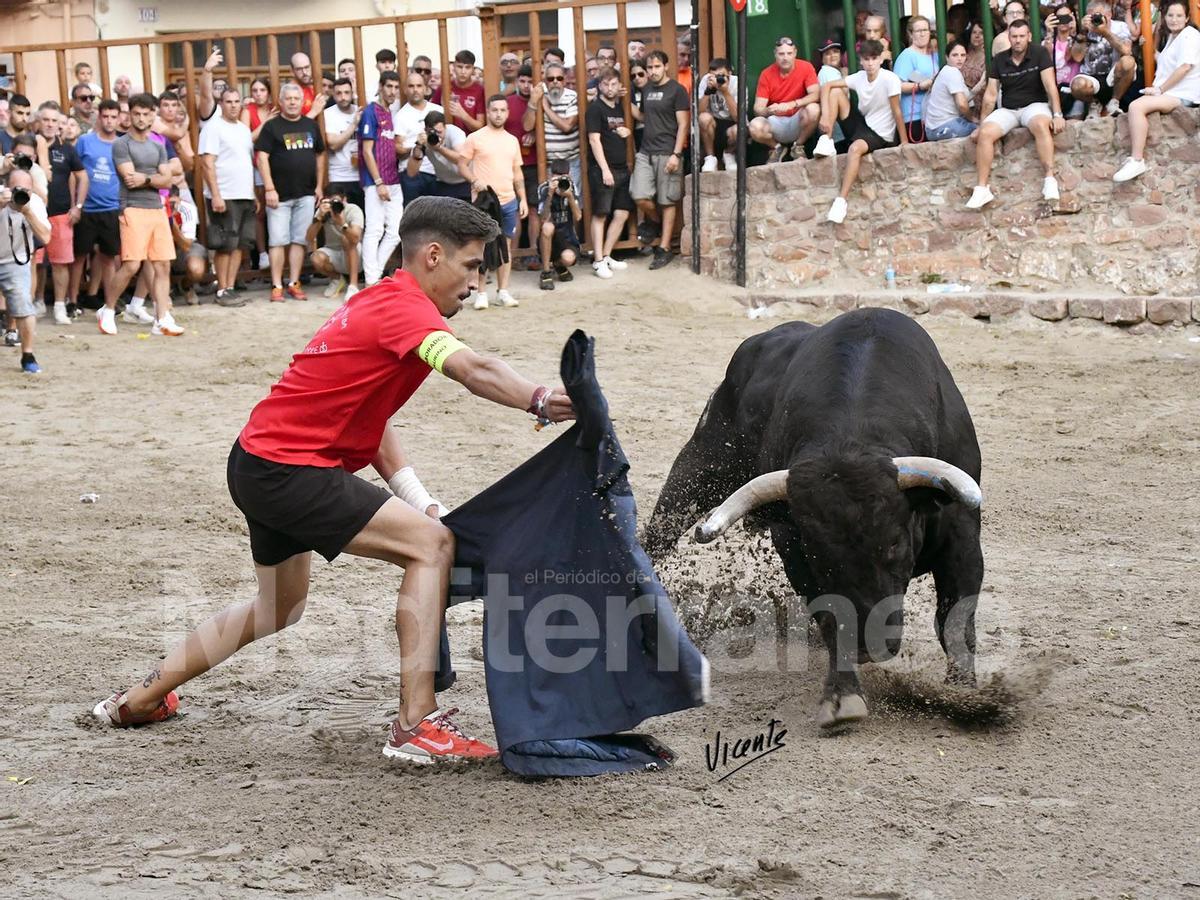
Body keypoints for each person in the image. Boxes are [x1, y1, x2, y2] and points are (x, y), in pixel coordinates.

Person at [91, 196, 576, 766]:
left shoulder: (381, 299)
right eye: (471, 266)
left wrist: (420, 500)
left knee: (279, 605)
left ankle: (137, 701)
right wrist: (540, 398)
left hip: (255, 460)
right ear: (434, 256)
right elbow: (475, 370)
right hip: (289, 470)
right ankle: (416, 725)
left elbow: (370, 419)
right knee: (433, 547)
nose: (476, 282)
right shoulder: (407, 311)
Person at [101, 93, 183, 337]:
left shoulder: (158, 146)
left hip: (156, 208)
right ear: (130, 115)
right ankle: (108, 309)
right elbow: (129, 178)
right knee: (131, 265)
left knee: (162, 265)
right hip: (132, 207)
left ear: (153, 116)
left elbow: (167, 178)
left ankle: (162, 318)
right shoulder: (121, 143)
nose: (141, 118)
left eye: (146, 114)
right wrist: (155, 179)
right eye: (136, 113)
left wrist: (147, 178)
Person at [967, 19, 1064, 210]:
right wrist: (982, 124)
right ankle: (982, 188)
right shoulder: (1000, 59)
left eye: (1021, 36)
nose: (1018, 40)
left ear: (1028, 36)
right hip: (1009, 109)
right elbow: (990, 95)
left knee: (1040, 124)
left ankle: (1050, 179)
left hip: (1034, 105)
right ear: (1009, 38)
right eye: (1014, 36)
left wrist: (1058, 113)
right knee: (985, 134)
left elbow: (1050, 85)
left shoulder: (1039, 53)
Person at [815, 40, 906, 224]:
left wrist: (904, 141)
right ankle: (826, 139)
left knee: (855, 149)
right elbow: (826, 87)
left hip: (881, 134)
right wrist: (825, 116)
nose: (870, 63)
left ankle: (841, 201)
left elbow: (897, 111)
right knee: (835, 92)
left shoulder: (890, 79)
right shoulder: (858, 77)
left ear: (881, 59)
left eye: (874, 58)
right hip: (863, 124)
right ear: (861, 62)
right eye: (866, 59)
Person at [1113, 0, 1200, 182]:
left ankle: (1137, 159)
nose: (1174, 20)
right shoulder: (1173, 38)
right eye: (1170, 15)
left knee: (1136, 106)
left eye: (1179, 16)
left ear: (1187, 18)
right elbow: (1164, 61)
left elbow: (1184, 67)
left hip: (1182, 94)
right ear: (1164, 17)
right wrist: (1147, 46)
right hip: (1172, 92)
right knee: (1135, 101)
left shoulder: (1189, 35)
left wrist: (1160, 89)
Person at [255, 83, 326, 301]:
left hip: (305, 193)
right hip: (278, 196)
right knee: (277, 241)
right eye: (289, 99)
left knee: (299, 240)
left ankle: (294, 282)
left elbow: (320, 155)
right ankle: (277, 285)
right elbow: (262, 157)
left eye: (297, 98)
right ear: (281, 101)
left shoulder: (310, 125)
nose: (293, 102)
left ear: (301, 102)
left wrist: (319, 186)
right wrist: (269, 188)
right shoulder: (272, 127)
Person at [457, 94, 526, 309]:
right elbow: (461, 164)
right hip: (484, 201)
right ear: (488, 111)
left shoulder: (512, 140)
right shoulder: (476, 138)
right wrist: (474, 180)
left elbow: (517, 173)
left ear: (508, 112)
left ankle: (503, 290)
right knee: (482, 246)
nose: (498, 114)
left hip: (508, 200)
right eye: (494, 110)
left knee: (505, 245)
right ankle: (481, 292)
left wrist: (522, 198)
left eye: (502, 110)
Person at [631, 50, 688, 270]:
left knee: (667, 200)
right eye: (649, 67)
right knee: (639, 195)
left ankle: (664, 248)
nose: (653, 71)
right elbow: (645, 117)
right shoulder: (646, 89)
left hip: (668, 151)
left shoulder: (677, 90)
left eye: (656, 66)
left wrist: (676, 154)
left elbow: (683, 124)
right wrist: (625, 102)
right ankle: (657, 224)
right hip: (646, 151)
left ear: (665, 66)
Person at [198, 87, 256, 307]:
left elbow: (245, 162)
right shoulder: (212, 128)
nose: (233, 105)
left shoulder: (242, 129)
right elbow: (207, 163)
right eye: (228, 101)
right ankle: (221, 289)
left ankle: (230, 287)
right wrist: (215, 194)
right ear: (220, 103)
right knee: (225, 245)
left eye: (236, 101)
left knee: (240, 244)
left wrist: (253, 194)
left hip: (244, 194)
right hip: (225, 194)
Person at [70, 100, 121, 314]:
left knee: (109, 258)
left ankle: (110, 303)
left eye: (113, 117)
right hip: (87, 208)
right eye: (105, 116)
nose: (109, 121)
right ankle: (72, 301)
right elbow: (75, 173)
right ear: (99, 117)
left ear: (119, 119)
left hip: (112, 208)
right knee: (79, 257)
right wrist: (75, 205)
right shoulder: (85, 141)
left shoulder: (122, 144)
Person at [584, 67, 634, 281]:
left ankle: (606, 254)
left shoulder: (620, 107)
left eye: (614, 84)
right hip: (603, 169)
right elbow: (594, 139)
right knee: (601, 214)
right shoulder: (595, 109)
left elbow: (621, 130)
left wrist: (628, 131)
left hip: (622, 167)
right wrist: (604, 169)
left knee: (622, 213)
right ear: (599, 86)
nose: (610, 88)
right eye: (606, 84)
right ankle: (597, 260)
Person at [0, 168, 51, 372]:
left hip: (15, 261)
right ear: (7, 187)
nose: (21, 193)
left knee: (24, 306)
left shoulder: (35, 203)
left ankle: (28, 355)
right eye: (16, 189)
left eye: (26, 189)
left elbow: (46, 238)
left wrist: (28, 211)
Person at [358, 71, 405, 286]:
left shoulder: (390, 113)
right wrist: (378, 182)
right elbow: (367, 151)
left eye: (396, 87)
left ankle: (374, 274)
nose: (392, 91)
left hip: (393, 180)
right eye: (389, 86)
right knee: (375, 230)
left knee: (395, 231)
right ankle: (371, 280)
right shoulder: (371, 112)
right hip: (376, 182)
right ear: (380, 86)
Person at [748, 36, 820, 163]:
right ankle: (777, 148)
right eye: (781, 54)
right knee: (755, 126)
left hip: (798, 118)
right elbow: (757, 109)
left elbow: (816, 94)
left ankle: (798, 146)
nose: (785, 57)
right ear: (775, 54)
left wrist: (793, 104)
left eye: (789, 53)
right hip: (776, 121)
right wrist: (770, 110)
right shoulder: (766, 74)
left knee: (814, 109)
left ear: (795, 53)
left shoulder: (806, 67)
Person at [1069, 0, 1137, 117]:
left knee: (1128, 61)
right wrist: (1083, 32)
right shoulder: (1086, 30)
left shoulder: (1120, 26)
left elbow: (1127, 51)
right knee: (1076, 85)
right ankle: (1094, 104)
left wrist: (1105, 32)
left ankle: (1114, 102)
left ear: (1109, 15)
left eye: (1099, 15)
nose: (1096, 19)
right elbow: (1077, 57)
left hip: (1115, 75)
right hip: (1091, 76)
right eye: (1092, 16)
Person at [43, 107, 79, 325]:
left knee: (61, 263)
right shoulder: (28, 145)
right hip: (31, 213)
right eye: (45, 119)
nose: (49, 124)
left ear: (60, 124)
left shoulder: (67, 150)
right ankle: (33, 302)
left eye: (53, 120)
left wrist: (77, 206)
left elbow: (78, 177)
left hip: (60, 213)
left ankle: (59, 307)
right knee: (31, 263)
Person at [506, 65, 541, 268]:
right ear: (517, 82)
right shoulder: (508, 103)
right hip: (511, 165)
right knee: (515, 211)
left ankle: (533, 252)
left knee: (534, 210)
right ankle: (514, 255)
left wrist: (537, 135)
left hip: (535, 164)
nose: (526, 86)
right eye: (523, 81)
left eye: (530, 82)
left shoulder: (540, 102)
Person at [532, 63, 581, 194]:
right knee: (550, 203)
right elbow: (527, 125)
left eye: (559, 78)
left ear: (564, 80)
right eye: (550, 79)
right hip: (548, 163)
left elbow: (567, 126)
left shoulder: (572, 96)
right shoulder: (540, 96)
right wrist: (533, 102)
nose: (555, 82)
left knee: (573, 203)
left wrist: (546, 108)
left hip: (571, 162)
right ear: (545, 81)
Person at [394, 72, 443, 203]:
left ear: (426, 88)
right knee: (413, 218)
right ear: (405, 89)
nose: (415, 90)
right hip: (411, 174)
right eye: (411, 86)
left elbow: (446, 137)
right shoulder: (400, 115)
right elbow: (398, 148)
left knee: (437, 217)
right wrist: (417, 145)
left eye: (419, 86)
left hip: (436, 172)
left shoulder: (438, 110)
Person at [535, 160, 582, 290]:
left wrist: (570, 196)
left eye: (564, 177)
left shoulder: (571, 187)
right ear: (551, 176)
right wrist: (550, 195)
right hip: (549, 237)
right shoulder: (544, 188)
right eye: (557, 177)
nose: (561, 180)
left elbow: (578, 216)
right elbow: (543, 218)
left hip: (567, 237)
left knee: (568, 259)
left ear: (569, 175)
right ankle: (546, 272)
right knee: (548, 226)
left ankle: (558, 264)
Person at [307, 192, 363, 299]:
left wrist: (342, 224)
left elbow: (355, 239)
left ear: (344, 199)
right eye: (331, 202)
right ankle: (337, 279)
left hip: (356, 255)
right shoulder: (323, 211)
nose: (334, 205)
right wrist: (319, 218)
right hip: (334, 252)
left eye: (337, 201)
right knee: (316, 258)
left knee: (346, 239)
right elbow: (309, 238)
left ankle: (353, 285)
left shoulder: (353, 209)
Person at [894, 15, 939, 142]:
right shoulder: (907, 55)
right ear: (910, 34)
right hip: (914, 115)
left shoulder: (935, 55)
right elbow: (897, 85)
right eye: (919, 31)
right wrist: (919, 86)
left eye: (925, 30)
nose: (923, 34)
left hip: (932, 113)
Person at [409, 111, 470, 201]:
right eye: (432, 132)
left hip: (465, 181)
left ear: (445, 127)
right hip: (444, 183)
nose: (437, 136)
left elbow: (461, 160)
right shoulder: (425, 140)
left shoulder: (454, 132)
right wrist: (418, 146)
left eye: (439, 132)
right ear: (425, 130)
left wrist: (439, 148)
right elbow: (411, 172)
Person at [925, 41, 980, 141]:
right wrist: (972, 119)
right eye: (955, 55)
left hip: (935, 128)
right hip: (942, 127)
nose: (959, 59)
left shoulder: (949, 71)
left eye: (962, 55)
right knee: (982, 131)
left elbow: (965, 98)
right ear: (947, 57)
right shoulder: (952, 72)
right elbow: (962, 104)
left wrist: (981, 84)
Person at [166, 186, 211, 305]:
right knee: (161, 256)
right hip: (163, 247)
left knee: (196, 270)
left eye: (172, 203)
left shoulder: (187, 209)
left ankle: (186, 286)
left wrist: (173, 225)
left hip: (184, 245)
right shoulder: (156, 209)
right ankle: (165, 292)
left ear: (179, 199)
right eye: (167, 203)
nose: (170, 207)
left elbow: (186, 245)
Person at [323, 77, 363, 210]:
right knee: (338, 221)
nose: (343, 97)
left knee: (360, 219)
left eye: (346, 92)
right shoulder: (328, 114)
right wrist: (353, 125)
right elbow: (333, 144)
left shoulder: (360, 111)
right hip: (337, 176)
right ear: (333, 95)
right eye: (339, 93)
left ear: (352, 93)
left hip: (360, 176)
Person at [698, 57, 739, 172]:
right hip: (714, 124)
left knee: (738, 129)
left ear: (730, 73)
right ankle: (710, 158)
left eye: (721, 76)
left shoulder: (737, 83)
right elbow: (699, 112)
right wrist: (708, 91)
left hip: (732, 123)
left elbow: (738, 117)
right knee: (704, 118)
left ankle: (729, 154)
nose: (718, 79)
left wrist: (725, 92)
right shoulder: (706, 80)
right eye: (714, 76)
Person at [1045, 4, 1084, 116]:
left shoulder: (1079, 40)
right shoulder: (1049, 41)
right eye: (1059, 18)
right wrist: (1049, 32)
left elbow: (1076, 57)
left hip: (1074, 92)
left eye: (1066, 17)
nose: (1063, 21)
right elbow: (1047, 60)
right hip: (1055, 92)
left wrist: (1073, 32)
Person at [439, 50, 486, 132]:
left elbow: (480, 127)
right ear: (454, 66)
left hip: (471, 140)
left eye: (467, 67)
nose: (463, 72)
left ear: (473, 69)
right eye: (460, 67)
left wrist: (462, 115)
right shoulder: (444, 87)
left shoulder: (480, 90)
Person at [961, 22, 990, 105]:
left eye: (981, 33)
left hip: (980, 102)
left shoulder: (989, 56)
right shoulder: (965, 53)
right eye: (974, 32)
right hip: (962, 101)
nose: (977, 36)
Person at [289, 52, 326, 117]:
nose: (304, 72)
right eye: (299, 69)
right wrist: (313, 112)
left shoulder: (315, 88)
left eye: (307, 67)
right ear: (292, 71)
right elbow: (292, 126)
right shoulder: (288, 93)